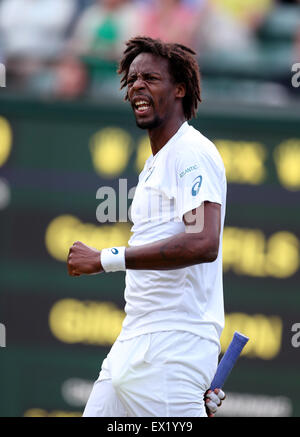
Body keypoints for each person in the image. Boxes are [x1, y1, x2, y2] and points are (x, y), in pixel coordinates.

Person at [67, 36, 226, 417]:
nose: (137, 85)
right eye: (132, 79)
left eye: (150, 78)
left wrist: (106, 259)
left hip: (171, 348)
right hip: (135, 340)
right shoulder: (158, 160)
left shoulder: (190, 151)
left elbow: (203, 242)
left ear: (180, 90)